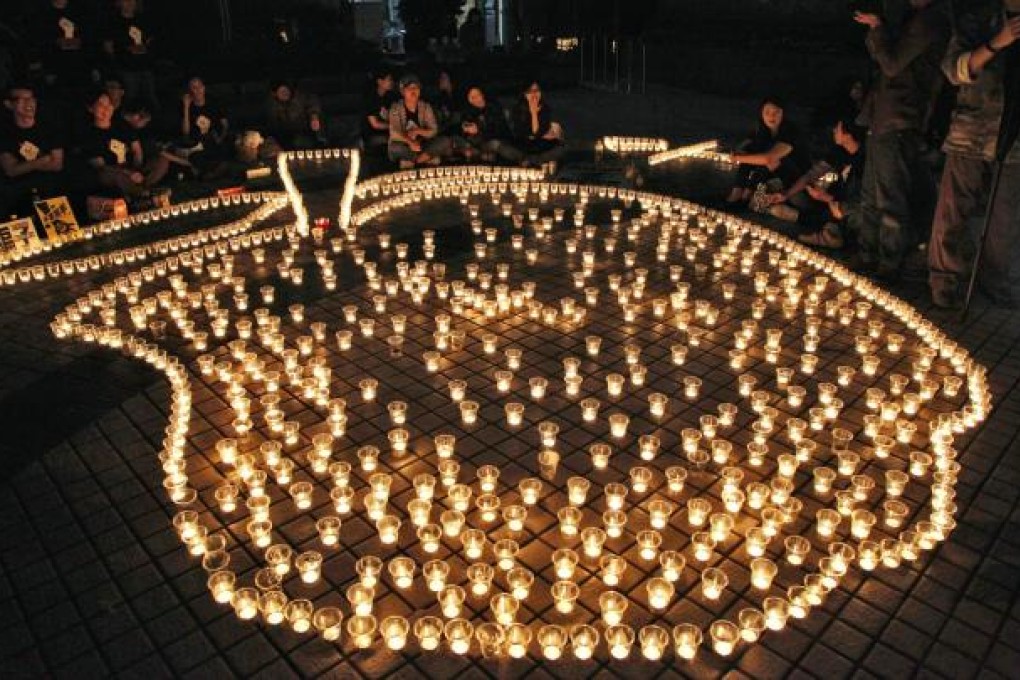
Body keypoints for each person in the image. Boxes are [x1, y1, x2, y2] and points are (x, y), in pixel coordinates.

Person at [927, 1, 1020, 309]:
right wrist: (996, 43)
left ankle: (995, 282)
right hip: (974, 130)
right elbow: (953, 69)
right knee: (955, 208)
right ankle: (946, 279)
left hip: (1015, 138)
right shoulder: (977, 15)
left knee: (1005, 217)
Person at [853, 0, 951, 279]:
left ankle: (889, 261)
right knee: (871, 192)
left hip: (898, 119)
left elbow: (892, 64)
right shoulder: (915, 18)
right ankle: (868, 253)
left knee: (889, 195)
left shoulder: (929, 21)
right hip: (884, 117)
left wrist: (878, 28)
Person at [764, 117, 867, 250]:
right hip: (834, 201)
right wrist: (786, 194)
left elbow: (861, 200)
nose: (834, 130)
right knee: (801, 195)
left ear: (848, 134)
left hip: (854, 207)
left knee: (842, 212)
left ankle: (815, 226)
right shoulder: (839, 151)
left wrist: (827, 198)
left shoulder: (865, 160)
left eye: (838, 128)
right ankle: (826, 229)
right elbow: (811, 175)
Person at [726, 96, 809, 209]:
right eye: (767, 112)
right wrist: (738, 152)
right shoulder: (761, 130)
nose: (771, 116)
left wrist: (737, 158)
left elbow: (769, 159)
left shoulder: (790, 132)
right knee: (751, 153)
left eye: (776, 112)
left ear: (783, 114)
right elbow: (744, 145)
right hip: (772, 175)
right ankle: (737, 193)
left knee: (770, 159)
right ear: (761, 113)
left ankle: (746, 195)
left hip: (796, 181)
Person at [0, 83, 65, 216]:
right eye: (22, 99)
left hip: (49, 185)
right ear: (9, 104)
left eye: (31, 98)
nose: (29, 103)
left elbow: (57, 164)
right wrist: (43, 160)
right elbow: (11, 170)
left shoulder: (49, 128)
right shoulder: (5, 133)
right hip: (18, 189)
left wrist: (24, 166)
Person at [78, 90, 148, 202]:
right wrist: (129, 173)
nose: (106, 109)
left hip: (132, 169)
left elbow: (137, 151)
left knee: (161, 161)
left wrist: (137, 170)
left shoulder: (121, 125)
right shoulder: (89, 134)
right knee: (112, 176)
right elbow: (101, 166)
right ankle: (140, 194)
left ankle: (141, 189)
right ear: (91, 108)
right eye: (101, 105)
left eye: (109, 104)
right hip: (111, 173)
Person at [102, 0, 158, 112]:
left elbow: (150, 41)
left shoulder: (143, 20)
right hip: (126, 69)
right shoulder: (113, 21)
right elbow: (108, 46)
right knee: (129, 102)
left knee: (151, 101)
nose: (129, 3)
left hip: (145, 68)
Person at [23, 0, 92, 92]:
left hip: (79, 70)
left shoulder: (81, 11)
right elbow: (37, 43)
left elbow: (89, 41)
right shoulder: (40, 14)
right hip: (52, 72)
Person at [387, 74, 453, 169]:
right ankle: (424, 159)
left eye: (416, 88)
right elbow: (394, 132)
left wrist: (417, 131)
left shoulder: (425, 107)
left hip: (423, 145)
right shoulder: (396, 108)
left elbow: (433, 131)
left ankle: (416, 161)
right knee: (394, 147)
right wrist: (410, 142)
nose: (413, 91)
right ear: (402, 92)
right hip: (406, 146)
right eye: (409, 88)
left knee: (445, 141)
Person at [179, 76, 230, 177]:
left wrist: (221, 137)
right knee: (196, 156)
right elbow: (185, 132)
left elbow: (225, 124)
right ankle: (210, 172)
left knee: (223, 148)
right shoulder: (187, 106)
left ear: (204, 87)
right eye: (194, 88)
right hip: (196, 142)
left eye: (199, 87)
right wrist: (186, 107)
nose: (198, 91)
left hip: (212, 138)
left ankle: (211, 171)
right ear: (189, 91)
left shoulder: (213, 102)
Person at [511, 80, 566, 173]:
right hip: (525, 145)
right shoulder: (518, 109)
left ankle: (533, 162)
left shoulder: (545, 108)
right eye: (530, 91)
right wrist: (533, 113)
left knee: (561, 148)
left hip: (542, 144)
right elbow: (524, 133)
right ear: (524, 94)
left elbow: (538, 132)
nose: (534, 94)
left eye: (536, 90)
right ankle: (535, 162)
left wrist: (537, 134)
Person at [460, 84, 522, 163]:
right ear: (469, 100)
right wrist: (467, 130)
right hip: (479, 145)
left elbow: (498, 130)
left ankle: (524, 159)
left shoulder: (493, 107)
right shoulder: (468, 112)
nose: (476, 99)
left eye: (478, 95)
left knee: (495, 144)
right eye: (472, 97)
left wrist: (479, 129)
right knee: (467, 149)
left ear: (482, 95)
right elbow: (464, 129)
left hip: (498, 141)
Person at [264, 80, 327, 150]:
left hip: (305, 130)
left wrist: (314, 117)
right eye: (281, 92)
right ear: (275, 94)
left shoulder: (299, 97)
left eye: (286, 90)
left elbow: (313, 102)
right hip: (286, 135)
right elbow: (273, 124)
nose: (285, 94)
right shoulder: (272, 105)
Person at [362, 68, 397, 151]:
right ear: (380, 81)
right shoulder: (371, 99)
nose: (391, 82)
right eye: (389, 80)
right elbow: (375, 124)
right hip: (372, 136)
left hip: (388, 133)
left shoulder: (390, 97)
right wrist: (394, 127)